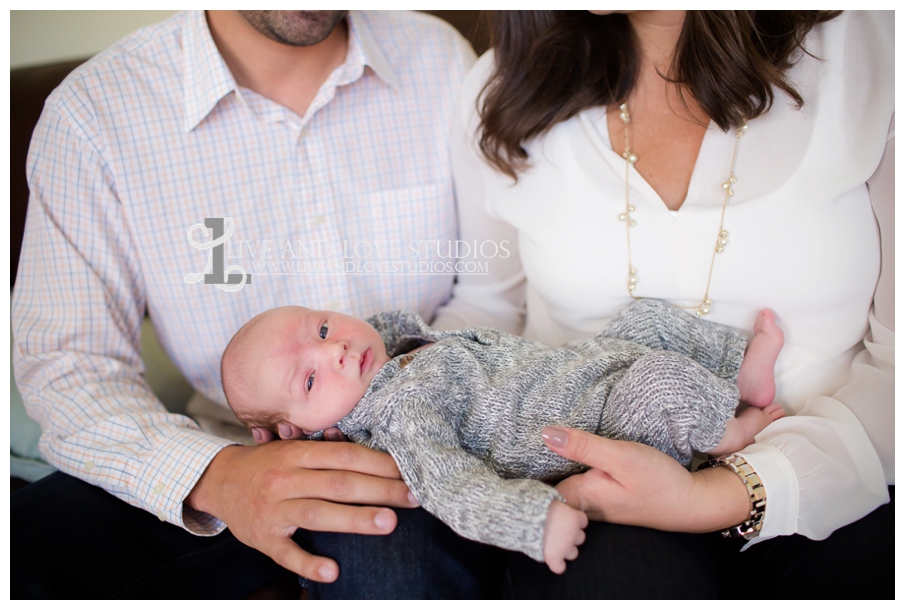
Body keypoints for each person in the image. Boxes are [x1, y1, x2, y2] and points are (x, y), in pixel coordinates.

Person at [11, 10, 479, 598]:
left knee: (394, 572)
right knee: (24, 549)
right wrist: (215, 475)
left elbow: (488, 291)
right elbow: (68, 363)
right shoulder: (94, 114)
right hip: (228, 448)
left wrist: (409, 393)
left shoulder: (439, 60)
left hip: (422, 436)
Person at [428, 9, 894, 598]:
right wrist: (377, 394)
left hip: (832, 470)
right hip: (597, 481)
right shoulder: (506, 89)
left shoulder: (870, 44)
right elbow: (488, 313)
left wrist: (713, 496)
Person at [221, 299, 785, 573]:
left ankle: (741, 371)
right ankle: (731, 433)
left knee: (648, 318)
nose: (335, 348)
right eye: (313, 377)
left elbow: (377, 330)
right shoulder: (404, 418)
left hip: (582, 366)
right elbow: (456, 489)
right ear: (307, 429)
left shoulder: (392, 351)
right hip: (604, 424)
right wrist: (535, 522)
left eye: (322, 328)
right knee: (661, 384)